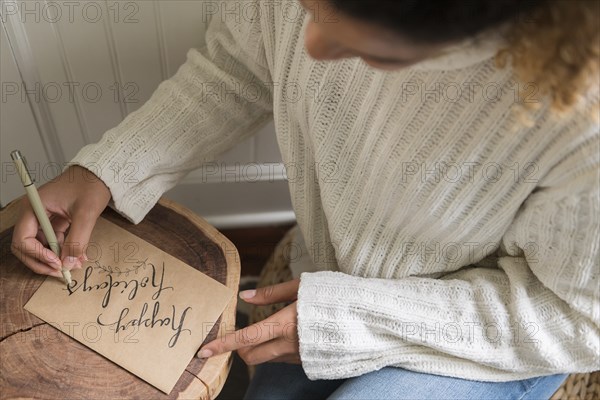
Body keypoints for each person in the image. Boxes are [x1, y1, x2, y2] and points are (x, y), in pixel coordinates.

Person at [11, 0, 599, 399]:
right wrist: (111, 168)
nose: (310, 48)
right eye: (306, 6)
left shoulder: (584, 119)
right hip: (331, 278)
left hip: (490, 333)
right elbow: (239, 64)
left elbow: (581, 319)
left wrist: (352, 322)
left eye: (380, 53)